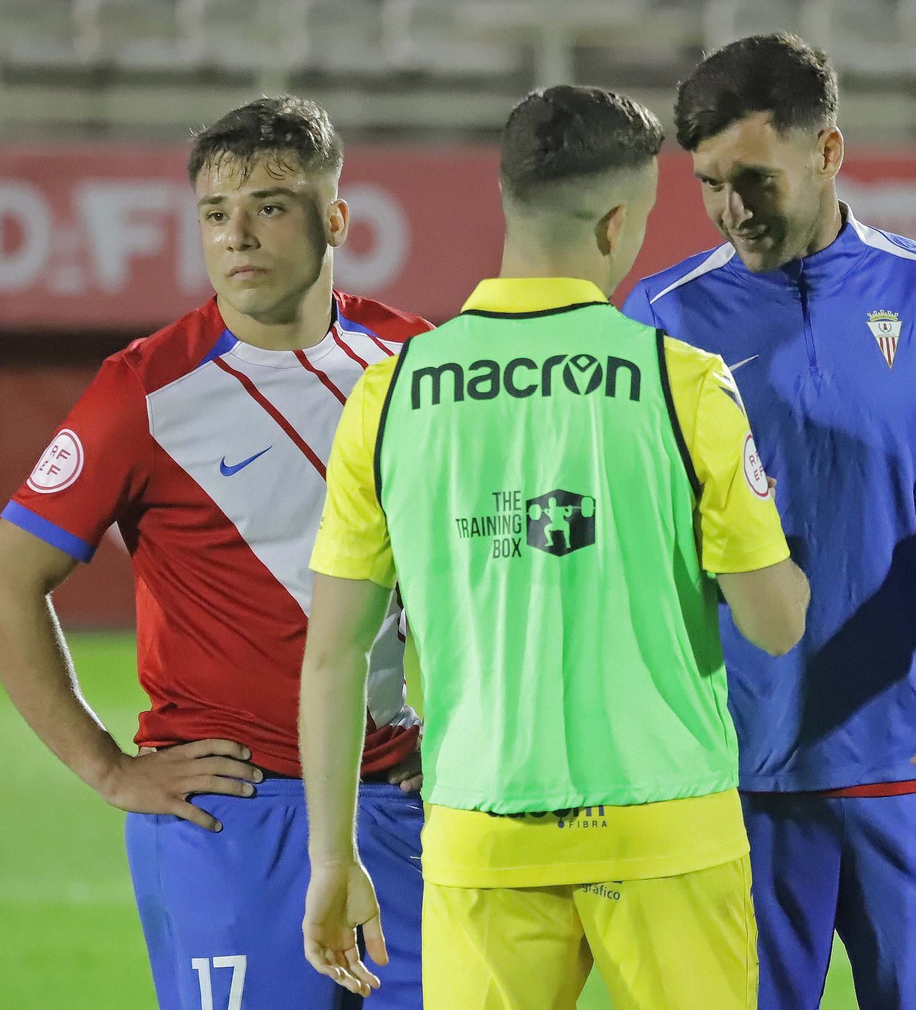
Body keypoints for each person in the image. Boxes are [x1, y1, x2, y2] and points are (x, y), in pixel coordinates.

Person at [296, 85, 810, 1010]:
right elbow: (775, 624)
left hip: (482, 832)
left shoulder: (391, 394)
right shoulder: (684, 383)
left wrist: (332, 857)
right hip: (666, 833)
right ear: (616, 224)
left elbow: (334, 652)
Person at [0, 96, 430, 1010]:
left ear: (336, 219)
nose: (238, 235)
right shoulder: (142, 390)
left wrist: (455, 738)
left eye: (271, 206)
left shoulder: (416, 364)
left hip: (396, 804)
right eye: (216, 214)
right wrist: (106, 766)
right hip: (233, 820)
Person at [623, 34, 916, 1010]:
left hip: (911, 774)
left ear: (826, 154)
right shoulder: (658, 316)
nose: (732, 210)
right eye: (708, 184)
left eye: (756, 180)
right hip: (735, 784)